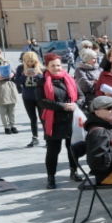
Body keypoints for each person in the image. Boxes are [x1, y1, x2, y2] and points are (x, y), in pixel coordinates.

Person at [40, 53, 82, 189]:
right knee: (53, 150)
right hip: (54, 121)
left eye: (58, 65)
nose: (57, 68)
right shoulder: (42, 81)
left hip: (71, 118)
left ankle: (74, 170)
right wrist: (62, 106)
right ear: (47, 66)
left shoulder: (68, 78)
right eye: (53, 65)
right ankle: (51, 177)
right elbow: (42, 101)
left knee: (72, 148)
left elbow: (81, 96)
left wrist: (76, 104)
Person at [14, 51, 45, 147]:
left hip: (40, 97)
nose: (30, 63)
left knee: (43, 118)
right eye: (27, 61)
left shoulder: (41, 68)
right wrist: (24, 75)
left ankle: (47, 137)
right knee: (33, 118)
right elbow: (17, 81)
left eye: (32, 61)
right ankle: (35, 137)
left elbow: (46, 81)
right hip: (27, 97)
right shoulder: (20, 68)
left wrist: (37, 74)